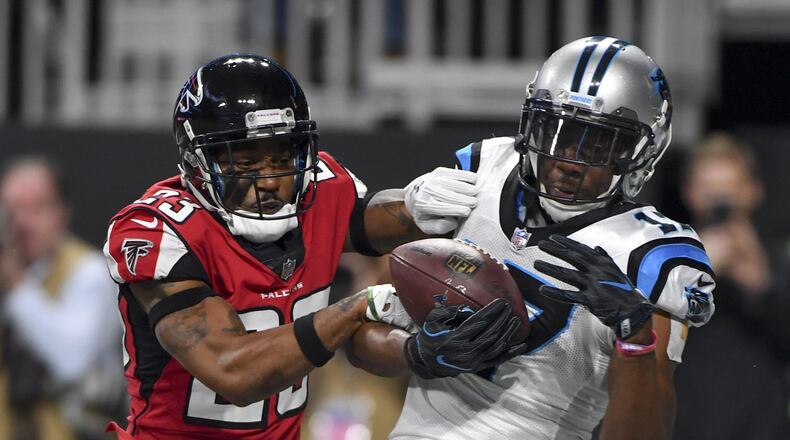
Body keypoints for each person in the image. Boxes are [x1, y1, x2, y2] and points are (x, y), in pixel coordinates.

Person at [102, 54, 526, 439]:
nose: (268, 181)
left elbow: (368, 217)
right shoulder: (160, 230)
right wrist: (359, 306)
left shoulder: (318, 196)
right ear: (198, 163)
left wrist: (418, 201)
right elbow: (233, 371)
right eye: (246, 163)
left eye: (282, 160)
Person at [350, 36, 717, 439]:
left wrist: (636, 336)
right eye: (556, 132)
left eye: (598, 143)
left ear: (642, 151)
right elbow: (359, 337)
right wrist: (416, 354)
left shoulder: (651, 253)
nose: (568, 162)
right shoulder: (483, 173)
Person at [0, 156, 126, 440]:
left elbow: (72, 361)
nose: (20, 222)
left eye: (36, 208)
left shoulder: (88, 272)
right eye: (11, 210)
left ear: (62, 212)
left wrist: (16, 279)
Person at [674, 133, 790, 439]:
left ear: (754, 191)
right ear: (690, 194)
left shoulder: (780, 258)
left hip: (761, 427)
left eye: (730, 190)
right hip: (686, 423)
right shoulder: (664, 261)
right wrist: (693, 271)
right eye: (711, 191)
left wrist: (762, 285)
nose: (721, 202)